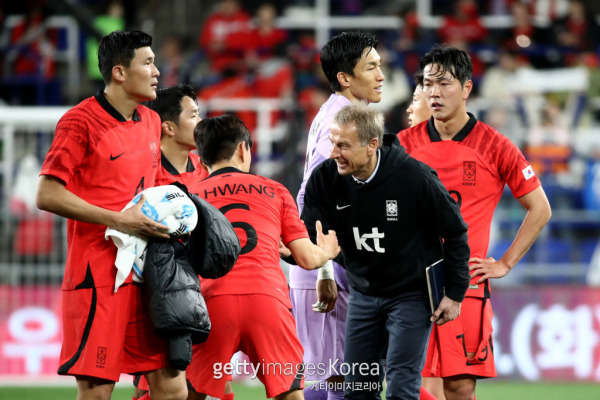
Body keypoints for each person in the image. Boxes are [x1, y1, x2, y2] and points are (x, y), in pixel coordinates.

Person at [35, 30, 188, 400]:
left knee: (172, 389)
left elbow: (162, 187)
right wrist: (118, 220)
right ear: (120, 72)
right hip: (97, 277)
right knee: (98, 393)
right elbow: (46, 194)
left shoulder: (151, 121)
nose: (157, 71)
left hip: (147, 274)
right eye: (148, 63)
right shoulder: (80, 122)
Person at [398, 45, 552, 400]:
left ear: (467, 88)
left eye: (444, 83)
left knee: (460, 387)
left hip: (464, 283)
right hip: (409, 285)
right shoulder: (404, 145)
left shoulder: (495, 146)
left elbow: (540, 208)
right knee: (415, 386)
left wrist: (505, 262)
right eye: (427, 83)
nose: (434, 92)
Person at [302, 104, 471, 400]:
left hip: (411, 294)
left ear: (372, 145)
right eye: (332, 142)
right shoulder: (325, 180)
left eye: (343, 145)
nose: (333, 153)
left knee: (401, 388)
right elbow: (311, 235)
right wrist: (324, 269)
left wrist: (455, 292)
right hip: (363, 294)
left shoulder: (415, 178)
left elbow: (455, 231)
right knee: (358, 390)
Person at [185, 113, 341, 400]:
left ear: (201, 157)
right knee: (290, 395)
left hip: (211, 305)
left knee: (192, 394)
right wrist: (327, 252)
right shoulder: (276, 191)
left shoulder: (189, 196)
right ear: (243, 149)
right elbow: (307, 258)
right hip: (267, 301)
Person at [291, 31, 384, 400]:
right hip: (324, 268)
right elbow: (314, 197)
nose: (381, 75)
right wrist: (325, 270)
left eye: (380, 65)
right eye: (371, 67)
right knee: (342, 383)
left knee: (340, 381)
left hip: (330, 264)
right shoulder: (338, 121)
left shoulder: (340, 113)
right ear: (345, 77)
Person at [132, 83, 206, 399]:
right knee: (168, 387)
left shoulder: (204, 169)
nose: (201, 122)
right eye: (193, 115)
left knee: (207, 384)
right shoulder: (145, 172)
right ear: (168, 126)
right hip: (158, 295)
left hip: (200, 291)